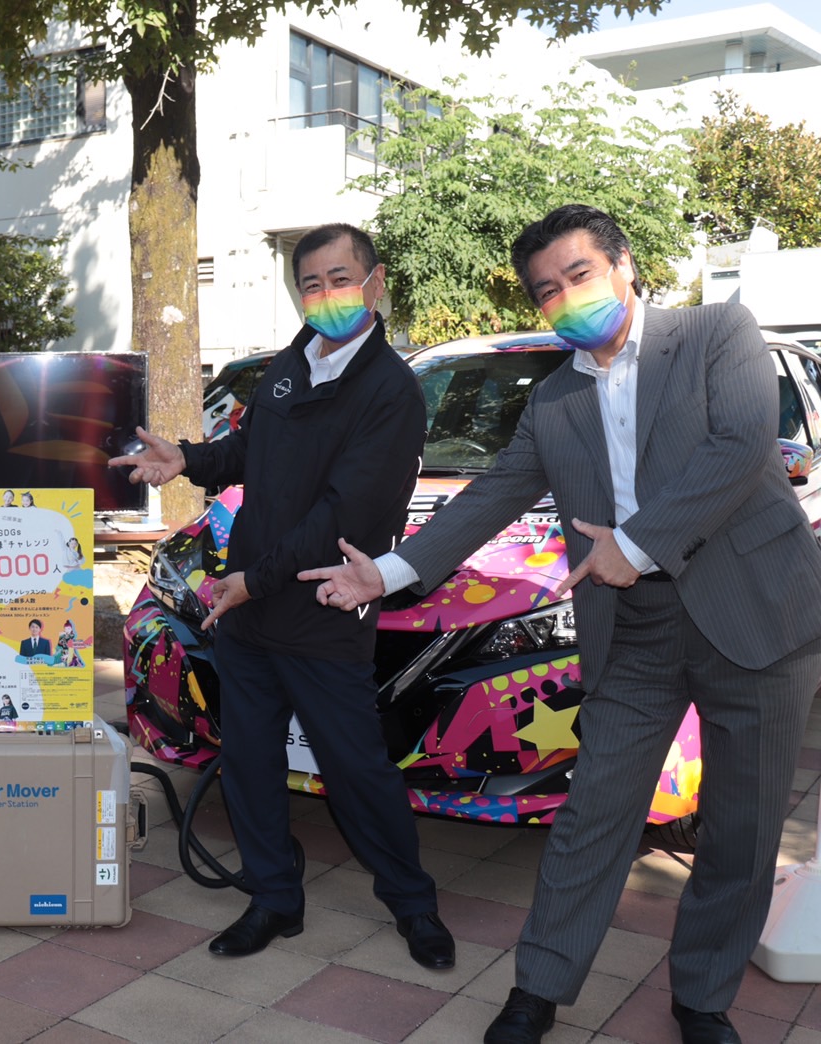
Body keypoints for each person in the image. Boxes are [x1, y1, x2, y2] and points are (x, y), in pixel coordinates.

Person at [300, 204, 821, 1044]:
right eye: (547, 290)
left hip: (756, 616)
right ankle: (537, 991)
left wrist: (634, 546)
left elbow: (738, 445)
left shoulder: (716, 334)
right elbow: (492, 496)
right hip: (638, 628)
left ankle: (702, 999)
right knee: (591, 818)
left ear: (623, 266)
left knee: (742, 827)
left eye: (579, 274)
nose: (566, 296)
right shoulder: (555, 400)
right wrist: (387, 573)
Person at [109, 224, 453, 969]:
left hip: (324, 610)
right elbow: (249, 453)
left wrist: (254, 580)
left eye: (340, 279)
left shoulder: (390, 390)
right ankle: (273, 898)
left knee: (355, 770)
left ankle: (413, 904)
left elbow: (343, 512)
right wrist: (186, 459)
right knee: (250, 763)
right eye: (311, 284)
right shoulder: (292, 362)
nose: (326, 295)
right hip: (248, 612)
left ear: (374, 282)